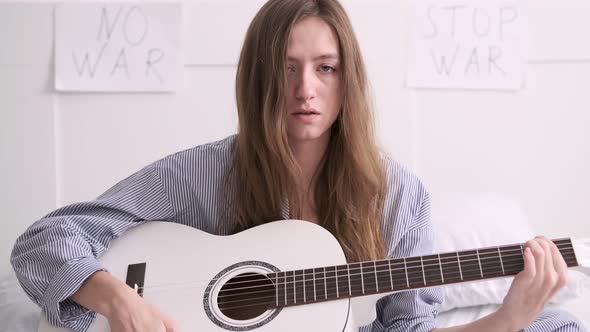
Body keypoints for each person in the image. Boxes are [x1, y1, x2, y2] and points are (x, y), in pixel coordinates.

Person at [10, 0, 584, 331]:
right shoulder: (202, 174)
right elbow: (44, 241)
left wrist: (510, 316)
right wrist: (119, 300)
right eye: (286, 68)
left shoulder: (399, 195)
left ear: (347, 80)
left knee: (556, 326)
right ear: (259, 79)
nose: (305, 89)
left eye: (326, 68)